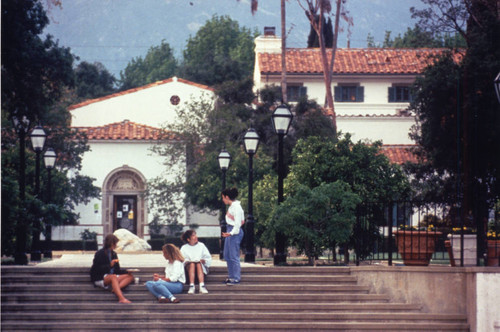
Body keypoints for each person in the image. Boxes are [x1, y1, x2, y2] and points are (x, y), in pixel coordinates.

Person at [90, 234, 134, 304]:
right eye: (115, 243)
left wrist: (127, 271)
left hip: (111, 276)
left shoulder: (114, 254)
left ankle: (115, 289)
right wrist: (109, 266)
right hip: (100, 277)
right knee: (113, 277)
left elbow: (117, 270)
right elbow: (96, 269)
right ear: (111, 243)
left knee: (130, 276)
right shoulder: (100, 253)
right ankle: (121, 298)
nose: (116, 245)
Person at [221, 187, 245, 285]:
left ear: (227, 197)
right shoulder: (232, 207)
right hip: (230, 231)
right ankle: (231, 276)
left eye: (223, 197)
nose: (222, 200)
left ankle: (236, 278)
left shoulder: (237, 207)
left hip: (234, 232)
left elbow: (238, 224)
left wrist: (230, 233)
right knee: (227, 255)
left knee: (233, 255)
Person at [180, 230, 212, 294]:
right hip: (188, 273)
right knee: (192, 264)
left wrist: (204, 261)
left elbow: (208, 258)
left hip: (201, 271)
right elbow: (181, 260)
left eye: (195, 234)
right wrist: (186, 262)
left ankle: (202, 285)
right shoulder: (184, 248)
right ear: (188, 239)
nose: (196, 236)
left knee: (198, 263)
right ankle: (191, 286)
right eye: (193, 235)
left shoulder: (201, 245)